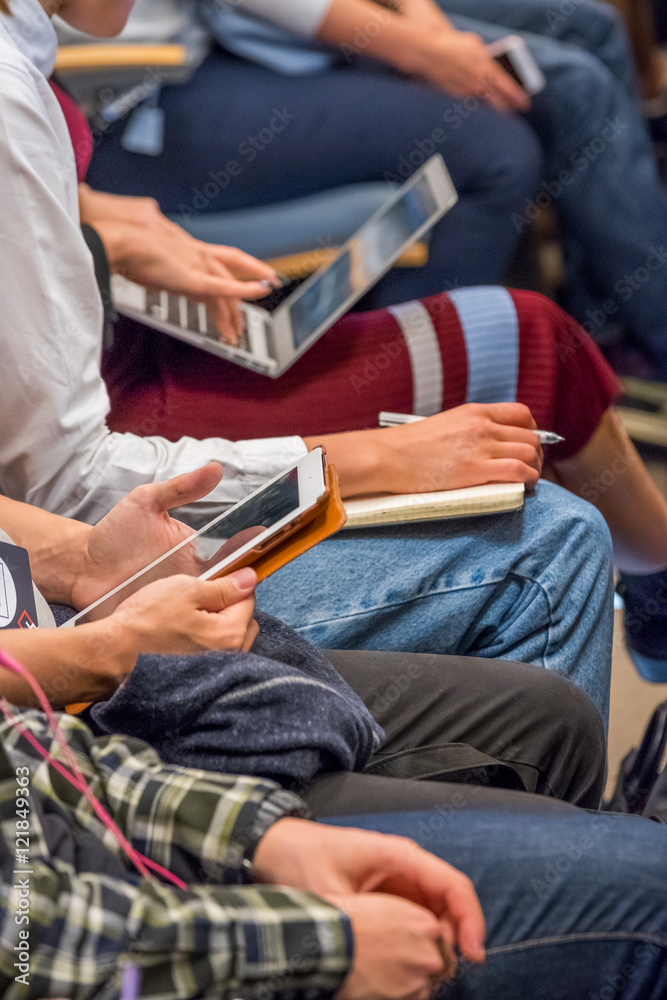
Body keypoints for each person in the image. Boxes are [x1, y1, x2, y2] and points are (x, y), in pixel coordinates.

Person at [0, 0, 616, 720]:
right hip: (55, 566)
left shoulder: (22, 71)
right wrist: (375, 461)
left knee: (522, 357)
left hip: (86, 452)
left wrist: (98, 225)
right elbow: (63, 485)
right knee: (550, 532)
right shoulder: (12, 96)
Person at [69, 0, 667, 371]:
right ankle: (411, 389)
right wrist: (420, 50)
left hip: (223, 43)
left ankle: (605, 333)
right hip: (147, 92)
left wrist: (424, 26)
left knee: (590, 31)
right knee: (510, 142)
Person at [0, 462, 606, 808]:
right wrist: (106, 651)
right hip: (45, 753)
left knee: (556, 717)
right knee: (551, 546)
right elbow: (73, 457)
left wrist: (83, 564)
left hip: (59, 626)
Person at [0, 704, 665, 999]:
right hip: (104, 954)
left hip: (87, 868)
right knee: (648, 888)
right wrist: (324, 944)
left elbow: (21, 747)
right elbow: (23, 943)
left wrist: (264, 835)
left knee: (551, 718)